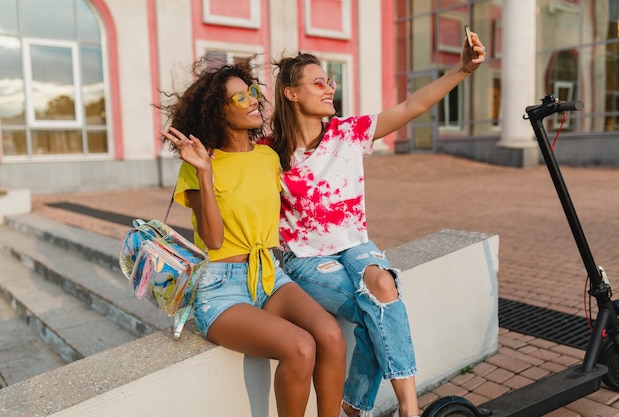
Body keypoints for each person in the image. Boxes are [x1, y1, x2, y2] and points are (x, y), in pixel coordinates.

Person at [270, 31, 486, 417]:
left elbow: (410, 106)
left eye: (330, 81)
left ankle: (409, 409)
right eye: (318, 82)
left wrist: (462, 70)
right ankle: (354, 409)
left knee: (384, 285)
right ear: (291, 93)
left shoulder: (347, 133)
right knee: (376, 309)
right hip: (304, 259)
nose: (328, 88)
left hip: (354, 246)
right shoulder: (272, 153)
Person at [158, 56, 346, 417]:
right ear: (218, 112)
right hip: (221, 289)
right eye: (240, 98)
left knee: (331, 335)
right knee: (301, 347)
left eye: (254, 92)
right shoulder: (198, 163)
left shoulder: (267, 158)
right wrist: (205, 173)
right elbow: (212, 240)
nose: (254, 101)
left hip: (270, 275)